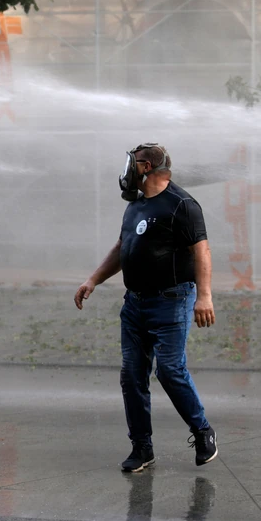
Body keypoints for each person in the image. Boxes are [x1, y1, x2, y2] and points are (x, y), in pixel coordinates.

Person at [74, 142, 217, 473]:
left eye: (133, 163)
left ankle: (203, 431)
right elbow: (123, 246)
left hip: (173, 301)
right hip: (135, 304)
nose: (128, 170)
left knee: (169, 370)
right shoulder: (136, 206)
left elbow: (203, 251)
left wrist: (204, 296)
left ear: (147, 167)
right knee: (131, 375)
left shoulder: (182, 205)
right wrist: (93, 279)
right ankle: (142, 448)